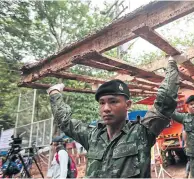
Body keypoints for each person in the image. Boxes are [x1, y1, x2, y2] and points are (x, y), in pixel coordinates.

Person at [47, 57, 180, 178]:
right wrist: (54, 93)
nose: (106, 108)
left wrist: (172, 65)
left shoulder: (141, 133)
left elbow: (165, 102)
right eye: (102, 103)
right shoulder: (92, 136)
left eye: (113, 101)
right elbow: (65, 123)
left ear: (127, 105)